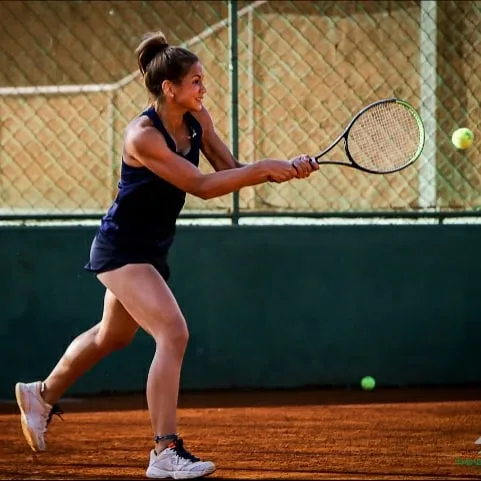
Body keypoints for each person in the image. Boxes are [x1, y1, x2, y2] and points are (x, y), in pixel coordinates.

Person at [14, 31, 318, 479]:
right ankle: (164, 451)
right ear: (169, 88)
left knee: (112, 337)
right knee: (173, 333)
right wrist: (262, 169)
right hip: (122, 247)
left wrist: (282, 171)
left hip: (151, 248)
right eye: (195, 81)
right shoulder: (142, 136)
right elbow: (200, 185)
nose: (203, 88)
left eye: (202, 80)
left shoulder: (196, 118)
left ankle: (40, 393)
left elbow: (228, 172)